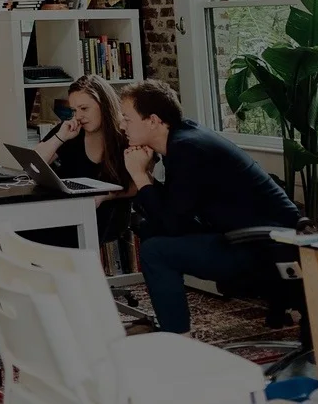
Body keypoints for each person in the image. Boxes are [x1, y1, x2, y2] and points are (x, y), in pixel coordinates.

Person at [119, 80, 299, 334]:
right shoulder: (182, 140)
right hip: (248, 236)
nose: (122, 125)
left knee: (155, 251)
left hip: (264, 244)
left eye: (127, 119)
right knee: (150, 231)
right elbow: (174, 211)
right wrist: (145, 175)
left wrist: (139, 176)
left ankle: (177, 338)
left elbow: (172, 225)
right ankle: (170, 325)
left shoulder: (187, 149)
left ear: (153, 121)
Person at [24, 74, 136, 247]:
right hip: (69, 209)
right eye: (74, 110)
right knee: (22, 228)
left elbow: (137, 185)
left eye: (84, 108)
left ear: (104, 104)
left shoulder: (126, 133)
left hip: (107, 210)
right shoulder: (73, 131)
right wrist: (60, 137)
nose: (79, 116)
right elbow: (32, 164)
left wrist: (103, 196)